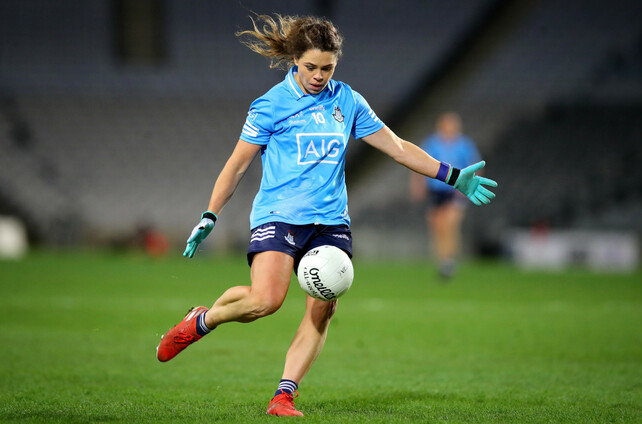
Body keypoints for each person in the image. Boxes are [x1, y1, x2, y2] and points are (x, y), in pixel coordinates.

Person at [156, 14, 497, 417]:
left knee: (322, 308)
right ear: (294, 60)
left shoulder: (347, 101)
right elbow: (237, 165)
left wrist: (452, 175)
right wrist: (210, 214)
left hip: (331, 222)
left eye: (328, 68)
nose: (319, 76)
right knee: (265, 301)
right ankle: (203, 320)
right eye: (311, 67)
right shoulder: (270, 105)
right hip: (279, 214)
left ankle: (284, 395)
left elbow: (397, 147)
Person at [410, 112, 482, 279]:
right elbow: (420, 164)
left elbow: (475, 165)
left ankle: (449, 260)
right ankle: (442, 260)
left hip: (455, 191)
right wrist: (418, 185)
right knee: (437, 226)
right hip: (436, 191)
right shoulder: (432, 143)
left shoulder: (464, 145)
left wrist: (470, 186)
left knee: (450, 223)